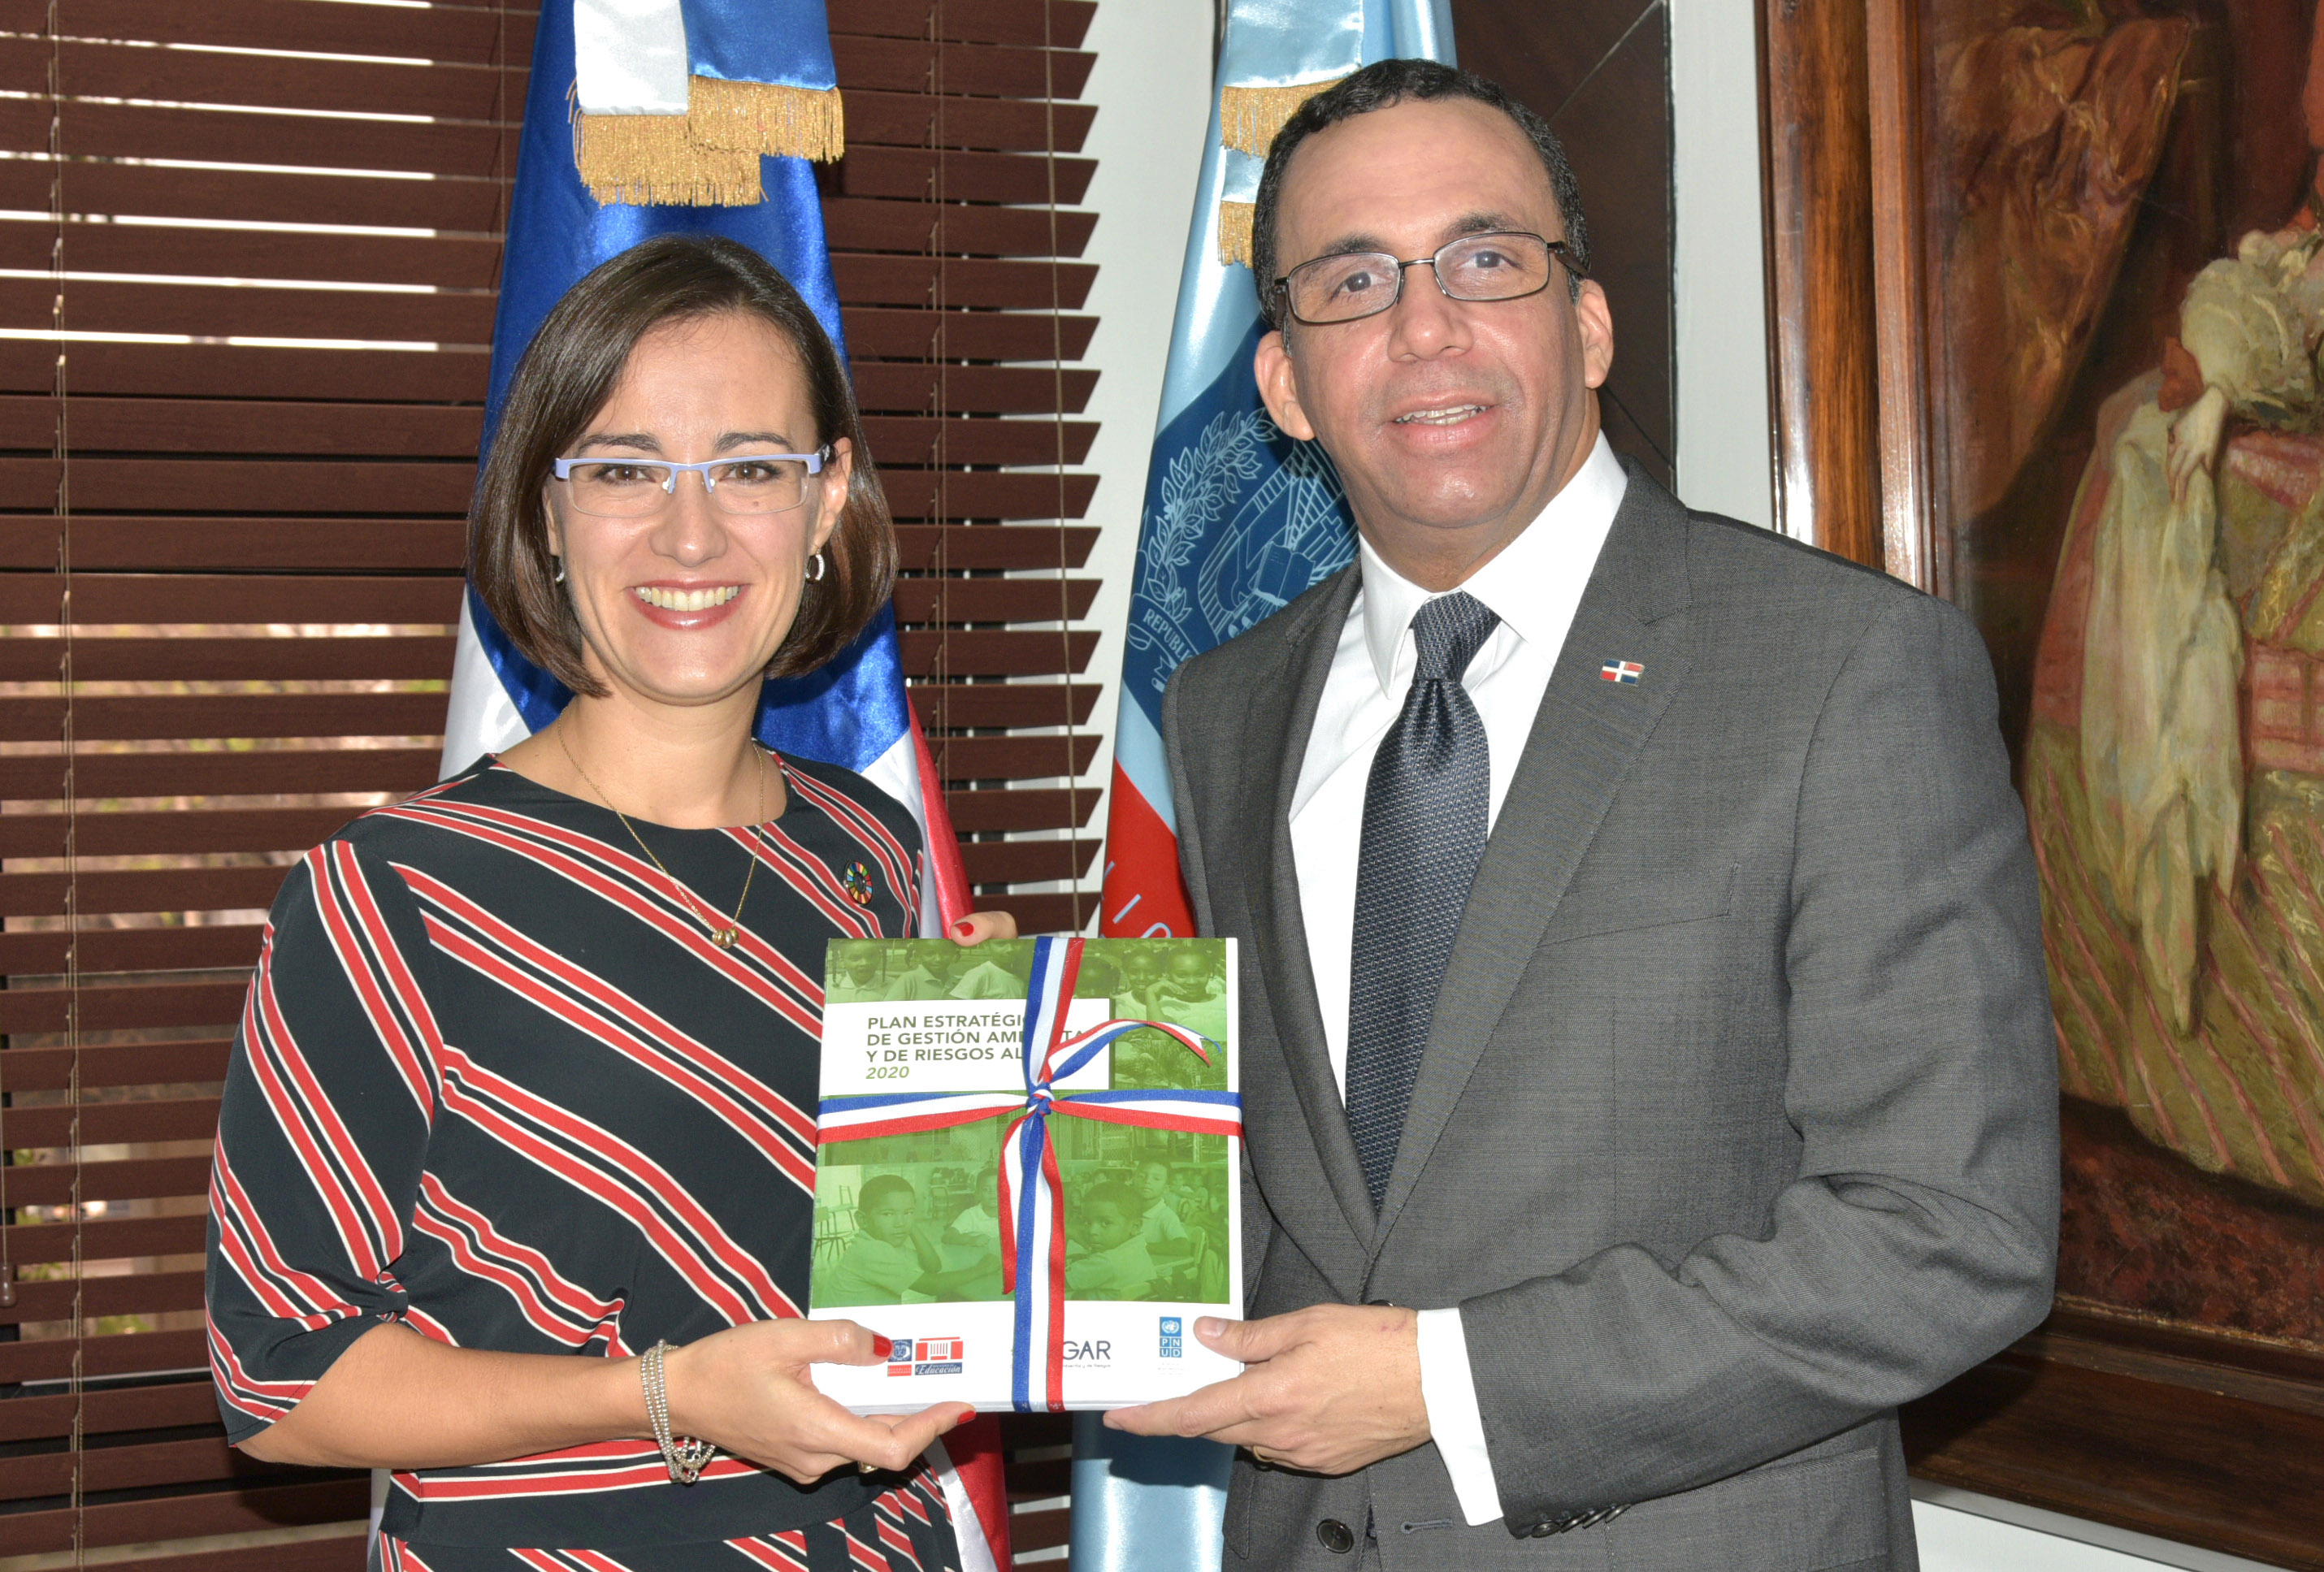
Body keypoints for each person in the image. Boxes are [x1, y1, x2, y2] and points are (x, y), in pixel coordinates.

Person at [1108, 60, 2058, 1569]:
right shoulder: (1227, 710)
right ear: (1285, 381)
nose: (1427, 326)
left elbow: (1950, 1237)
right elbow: (1304, 1188)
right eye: (1354, 281)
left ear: (1590, 323)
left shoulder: (1845, 671)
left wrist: (1443, 1382)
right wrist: (1016, 1108)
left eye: (1487, 260)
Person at [203, 235, 1018, 1572]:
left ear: (828, 505)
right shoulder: (396, 890)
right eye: (625, 471)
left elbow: (896, 1284)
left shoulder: (869, 851)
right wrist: (665, 1398)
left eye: (751, 468)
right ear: (546, 513)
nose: (690, 533)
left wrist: (1004, 1100)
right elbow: (280, 1381)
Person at [821, 1174, 997, 1306]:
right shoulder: (871, 1250)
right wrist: (982, 1269)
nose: (900, 1223)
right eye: (888, 1214)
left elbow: (933, 1267)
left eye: (908, 1212)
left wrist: (912, 1227)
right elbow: (932, 1286)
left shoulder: (886, 1242)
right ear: (863, 1220)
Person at [1064, 1182, 1158, 1301]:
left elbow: (1050, 1281)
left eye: (1105, 1223)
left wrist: (1066, 1235)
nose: (1092, 1231)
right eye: (1087, 1222)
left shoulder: (1106, 1262)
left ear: (1135, 1226)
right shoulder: (1137, 1247)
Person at [1134, 1158, 1194, 1263]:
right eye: (1141, 1176)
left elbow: (1183, 1247)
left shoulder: (1165, 1215)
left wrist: (1142, 1247)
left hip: (1154, 1273)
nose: (1147, 1181)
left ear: (1166, 1189)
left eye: (1156, 1178)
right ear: (1133, 1181)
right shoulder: (1127, 1209)